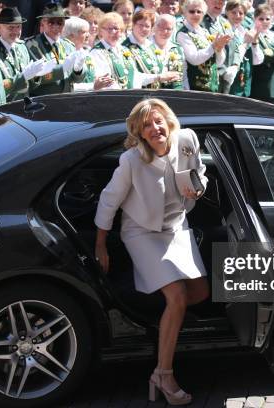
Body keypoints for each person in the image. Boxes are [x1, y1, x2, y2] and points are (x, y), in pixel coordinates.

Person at [94, 98, 209, 406]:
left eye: (158, 121)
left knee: (199, 292)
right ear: (140, 133)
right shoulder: (132, 160)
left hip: (176, 228)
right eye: (147, 125)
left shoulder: (187, 140)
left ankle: (163, 329)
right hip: (141, 233)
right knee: (177, 296)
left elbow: (201, 173)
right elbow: (109, 200)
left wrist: (198, 189)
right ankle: (163, 373)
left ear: (168, 121)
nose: (155, 128)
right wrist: (101, 244)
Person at [90, 12, 178, 89]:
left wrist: (159, 77)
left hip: (131, 98)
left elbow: (136, 77)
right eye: (110, 29)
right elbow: (105, 82)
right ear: (101, 31)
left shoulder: (123, 50)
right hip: (113, 99)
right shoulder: (97, 52)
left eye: (117, 29)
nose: (114, 32)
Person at [26, 5, 86, 96]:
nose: (56, 26)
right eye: (51, 22)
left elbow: (77, 79)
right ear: (43, 23)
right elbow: (33, 79)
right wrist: (61, 70)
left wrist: (78, 70)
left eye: (60, 23)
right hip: (43, 100)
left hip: (66, 100)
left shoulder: (69, 45)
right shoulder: (31, 45)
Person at [0, 7, 45, 102]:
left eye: (18, 27)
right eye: (11, 28)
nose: (16, 31)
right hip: (5, 106)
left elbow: (30, 85)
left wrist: (36, 75)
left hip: (24, 105)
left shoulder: (22, 47)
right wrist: (23, 77)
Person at [176, 0, 229, 92]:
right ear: (184, 13)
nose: (196, 14)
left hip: (212, 86)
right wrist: (213, 46)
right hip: (194, 87)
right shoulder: (183, 33)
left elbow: (218, 62)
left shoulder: (204, 32)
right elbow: (194, 59)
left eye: (199, 12)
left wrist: (219, 49)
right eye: (192, 11)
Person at [121, 9, 163, 89]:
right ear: (133, 25)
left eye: (147, 26)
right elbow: (133, 75)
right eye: (140, 25)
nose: (143, 29)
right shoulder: (124, 47)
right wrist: (159, 77)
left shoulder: (152, 46)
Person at [152, 13, 185, 90]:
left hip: (174, 94)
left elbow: (184, 76)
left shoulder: (178, 48)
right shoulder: (145, 47)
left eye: (168, 28)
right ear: (154, 27)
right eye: (161, 27)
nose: (164, 31)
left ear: (173, 30)